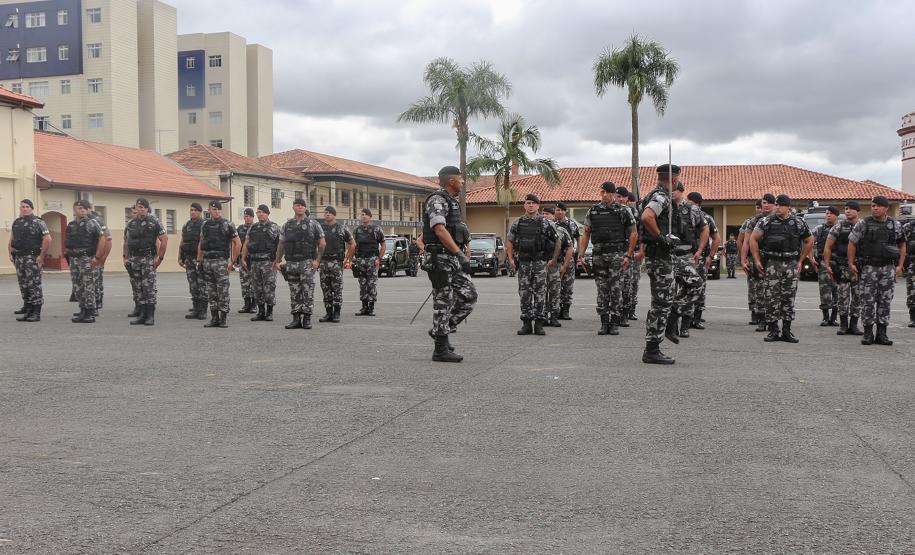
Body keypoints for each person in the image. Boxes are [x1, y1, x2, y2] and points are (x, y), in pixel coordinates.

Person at [421, 165, 478, 362]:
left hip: (451, 258)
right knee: (442, 302)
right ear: (451, 181)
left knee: (468, 296)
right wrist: (459, 255)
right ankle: (440, 349)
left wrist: (461, 254)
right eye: (461, 180)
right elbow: (439, 229)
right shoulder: (437, 200)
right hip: (440, 259)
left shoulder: (451, 202)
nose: (463, 182)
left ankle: (440, 330)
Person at [749, 194, 813, 343]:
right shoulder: (766, 221)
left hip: (790, 263)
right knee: (771, 298)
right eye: (776, 205)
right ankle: (773, 330)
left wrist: (801, 260)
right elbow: (753, 239)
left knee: (788, 298)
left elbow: (809, 241)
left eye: (780, 205)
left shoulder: (798, 222)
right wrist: (757, 259)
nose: (777, 207)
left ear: (788, 206)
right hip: (772, 264)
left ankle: (786, 331)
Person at [578, 182, 637, 335]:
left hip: (617, 255)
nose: (604, 195)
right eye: (602, 192)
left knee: (616, 288)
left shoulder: (623, 211)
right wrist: (581, 254)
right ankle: (604, 322)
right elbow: (586, 233)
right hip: (599, 255)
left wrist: (628, 255)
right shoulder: (593, 211)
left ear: (612, 194)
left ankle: (615, 322)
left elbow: (633, 233)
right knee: (602, 289)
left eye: (607, 192)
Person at [847, 195, 906, 346]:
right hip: (868, 268)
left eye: (878, 206)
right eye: (873, 205)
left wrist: (899, 266)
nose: (875, 208)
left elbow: (902, 245)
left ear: (886, 208)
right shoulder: (863, 223)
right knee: (868, 301)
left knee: (885, 301)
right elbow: (852, 243)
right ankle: (868, 334)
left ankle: (882, 334)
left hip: (888, 268)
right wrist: (851, 263)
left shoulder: (895, 225)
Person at [639, 164, 679, 364]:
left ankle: (653, 346)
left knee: (661, 302)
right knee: (661, 304)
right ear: (673, 180)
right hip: (660, 257)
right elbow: (647, 217)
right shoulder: (661, 196)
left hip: (657, 257)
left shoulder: (652, 194)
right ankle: (652, 350)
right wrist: (661, 237)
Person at [506, 193, 560, 336]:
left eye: (533, 203)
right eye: (528, 203)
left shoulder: (546, 223)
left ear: (538, 205)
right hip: (523, 263)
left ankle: (539, 324)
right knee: (524, 294)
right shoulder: (518, 223)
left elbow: (557, 241)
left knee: (540, 293)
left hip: (539, 263)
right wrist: (511, 258)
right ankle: (526, 324)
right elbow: (510, 241)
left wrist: (553, 259)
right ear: (524, 205)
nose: (530, 205)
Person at [276, 198, 325, 329]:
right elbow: (281, 244)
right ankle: (296, 319)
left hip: (306, 262)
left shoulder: (313, 224)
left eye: (303, 206)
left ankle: (307, 319)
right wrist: (277, 261)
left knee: (308, 291)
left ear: (305, 208)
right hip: (291, 262)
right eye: (298, 205)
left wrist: (317, 261)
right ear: (293, 207)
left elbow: (322, 243)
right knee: (294, 291)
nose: (300, 207)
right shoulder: (287, 225)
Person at [670, 183, 709, 339]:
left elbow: (705, 229)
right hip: (668, 256)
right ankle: (670, 324)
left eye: (675, 190)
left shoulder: (692, 210)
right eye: (669, 190)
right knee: (670, 292)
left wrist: (700, 250)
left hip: (686, 255)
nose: (671, 193)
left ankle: (684, 325)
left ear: (681, 192)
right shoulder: (663, 208)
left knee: (692, 287)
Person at [123, 198, 167, 326]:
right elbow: (126, 242)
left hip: (148, 258)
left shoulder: (154, 222)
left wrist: (160, 258)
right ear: (135, 208)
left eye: (143, 207)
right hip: (134, 259)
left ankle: (150, 316)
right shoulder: (131, 223)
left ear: (147, 209)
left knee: (149, 288)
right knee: (138, 288)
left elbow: (164, 239)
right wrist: (125, 257)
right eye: (139, 207)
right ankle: (141, 315)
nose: (141, 209)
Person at [196, 200, 241, 328]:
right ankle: (214, 318)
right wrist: (198, 260)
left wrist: (232, 261)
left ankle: (223, 319)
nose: (216, 212)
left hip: (221, 261)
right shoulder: (205, 225)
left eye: (218, 209)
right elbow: (201, 243)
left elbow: (237, 243)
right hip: (207, 261)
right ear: (209, 210)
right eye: (214, 209)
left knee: (223, 291)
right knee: (211, 291)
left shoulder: (227, 224)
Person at [823, 201, 862, 336]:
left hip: (859, 267)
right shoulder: (838, 227)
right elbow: (828, 246)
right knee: (842, 296)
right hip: (842, 267)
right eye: (846, 209)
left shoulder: (864, 226)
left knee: (858, 297)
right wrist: (827, 264)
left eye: (851, 209)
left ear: (858, 211)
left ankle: (854, 325)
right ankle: (844, 325)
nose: (848, 211)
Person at [9, 199, 50, 322]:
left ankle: (36, 312)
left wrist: (41, 256)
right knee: (24, 285)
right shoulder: (17, 222)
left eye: (27, 206)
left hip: (32, 257)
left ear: (31, 208)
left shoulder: (38, 222)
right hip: (19, 257)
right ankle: (28, 310)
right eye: (22, 206)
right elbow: (12, 239)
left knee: (34, 285)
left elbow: (47, 239)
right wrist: (11, 253)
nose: (24, 208)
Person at [66, 200, 105, 323]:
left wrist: (97, 257)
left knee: (88, 286)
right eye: (79, 208)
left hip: (86, 258)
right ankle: (82, 310)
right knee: (78, 286)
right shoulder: (71, 225)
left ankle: (90, 312)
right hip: (74, 258)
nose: (81, 210)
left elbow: (102, 238)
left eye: (83, 208)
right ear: (74, 210)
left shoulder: (92, 223)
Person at [241, 204, 280, 322]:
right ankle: (261, 311)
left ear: (267, 214)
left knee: (269, 287)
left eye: (263, 212)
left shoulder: (274, 227)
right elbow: (246, 243)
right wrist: (243, 258)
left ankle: (269, 312)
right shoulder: (252, 228)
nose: (261, 214)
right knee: (257, 288)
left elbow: (280, 245)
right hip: (255, 262)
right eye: (258, 212)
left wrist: (278, 260)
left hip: (268, 262)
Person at [741, 195, 775, 331]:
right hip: (757, 260)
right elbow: (746, 242)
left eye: (768, 203)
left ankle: (772, 320)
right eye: (763, 203)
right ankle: (761, 319)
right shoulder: (753, 221)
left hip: (774, 260)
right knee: (759, 289)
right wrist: (743, 259)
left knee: (774, 291)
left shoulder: (778, 219)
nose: (765, 206)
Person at [318, 205, 354, 323]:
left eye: (330, 212)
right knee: (325, 288)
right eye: (325, 212)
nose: (327, 214)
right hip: (323, 262)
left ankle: (336, 313)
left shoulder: (342, 228)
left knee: (337, 288)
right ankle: (328, 313)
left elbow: (352, 244)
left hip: (336, 263)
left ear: (334, 215)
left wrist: (347, 258)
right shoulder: (320, 228)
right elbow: (315, 244)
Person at [688, 191, 718, 329]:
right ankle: (686, 318)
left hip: (699, 258)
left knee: (699, 287)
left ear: (696, 203)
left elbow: (716, 239)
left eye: (689, 201)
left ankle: (697, 318)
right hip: (686, 257)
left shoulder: (706, 218)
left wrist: (710, 257)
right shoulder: (682, 216)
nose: (687, 204)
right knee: (686, 288)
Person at [808, 206, 839, 326]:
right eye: (827, 213)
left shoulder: (841, 228)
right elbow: (809, 242)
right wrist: (810, 257)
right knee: (824, 291)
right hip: (822, 264)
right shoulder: (820, 229)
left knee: (837, 290)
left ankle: (834, 318)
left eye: (831, 213)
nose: (828, 215)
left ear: (836, 215)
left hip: (837, 263)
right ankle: (825, 317)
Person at [543, 207, 574, 327]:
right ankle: (543, 315)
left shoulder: (561, 230)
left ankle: (554, 316)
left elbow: (569, 248)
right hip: (541, 264)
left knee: (555, 291)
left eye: (548, 214)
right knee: (542, 291)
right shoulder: (539, 229)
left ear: (553, 216)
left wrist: (565, 266)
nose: (545, 216)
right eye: (543, 214)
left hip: (555, 265)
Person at [351, 208, 385, 316]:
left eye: (365, 215)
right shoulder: (357, 230)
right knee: (362, 284)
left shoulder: (377, 229)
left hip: (372, 260)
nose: (363, 216)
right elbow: (352, 245)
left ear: (370, 217)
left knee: (372, 284)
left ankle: (371, 307)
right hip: (360, 260)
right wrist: (352, 258)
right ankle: (364, 307)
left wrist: (379, 258)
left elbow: (383, 244)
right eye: (361, 215)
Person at [179, 203, 208, 320]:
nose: (193, 212)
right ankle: (195, 309)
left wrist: (200, 259)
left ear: (200, 212)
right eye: (191, 210)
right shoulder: (186, 225)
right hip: (189, 258)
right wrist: (180, 257)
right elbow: (182, 241)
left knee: (202, 285)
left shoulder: (204, 224)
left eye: (195, 210)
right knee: (193, 286)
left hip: (200, 259)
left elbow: (204, 242)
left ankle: (203, 311)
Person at [554, 202, 580, 320]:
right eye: (557, 210)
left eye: (562, 210)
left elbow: (579, 239)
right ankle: (556, 309)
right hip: (556, 259)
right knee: (555, 285)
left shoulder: (571, 224)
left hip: (568, 258)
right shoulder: (552, 224)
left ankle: (566, 310)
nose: (559, 212)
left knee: (568, 286)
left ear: (565, 212)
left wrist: (579, 254)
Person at [624, 191, 643, 321]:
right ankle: (623, 308)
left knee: (634, 282)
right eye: (629, 201)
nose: (630, 203)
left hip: (635, 253)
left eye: (632, 201)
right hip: (623, 252)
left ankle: (632, 309)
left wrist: (641, 251)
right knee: (624, 282)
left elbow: (642, 234)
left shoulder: (638, 216)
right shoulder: (622, 213)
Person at [89, 209, 112, 311]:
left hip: (96, 257)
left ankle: (97, 303)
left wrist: (103, 258)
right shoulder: (80, 222)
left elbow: (108, 240)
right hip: (85, 257)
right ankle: (88, 306)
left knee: (96, 282)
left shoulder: (98, 222)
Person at [236, 208, 256, 314]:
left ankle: (254, 305)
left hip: (253, 260)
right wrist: (235, 258)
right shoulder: (240, 229)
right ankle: (246, 304)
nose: (247, 218)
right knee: (244, 283)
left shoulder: (256, 228)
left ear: (253, 217)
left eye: (249, 216)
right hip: (242, 260)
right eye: (245, 216)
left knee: (253, 283)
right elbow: (235, 243)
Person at [903, 217, 915, 328]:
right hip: (912, 263)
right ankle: (913, 317)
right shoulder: (909, 227)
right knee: (912, 292)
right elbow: (902, 245)